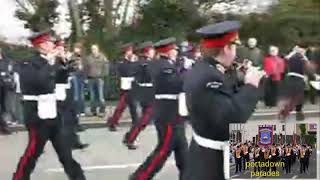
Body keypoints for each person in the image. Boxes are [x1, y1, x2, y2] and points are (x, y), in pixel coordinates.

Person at [182, 21, 265, 180]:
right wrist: (251, 86)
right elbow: (232, 117)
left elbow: (227, 89)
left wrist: (241, 77)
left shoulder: (207, 68)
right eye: (234, 48)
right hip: (211, 160)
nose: (236, 54)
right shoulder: (208, 77)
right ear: (227, 48)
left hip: (208, 152)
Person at [12, 32, 86, 180]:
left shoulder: (53, 62)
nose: (53, 46)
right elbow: (39, 81)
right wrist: (50, 62)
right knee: (32, 154)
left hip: (54, 113)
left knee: (66, 154)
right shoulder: (28, 63)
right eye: (50, 43)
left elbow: (60, 82)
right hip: (37, 114)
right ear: (41, 45)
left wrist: (66, 65)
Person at [130, 37, 188, 180]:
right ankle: (139, 177)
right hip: (168, 114)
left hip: (175, 113)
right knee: (163, 151)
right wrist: (186, 70)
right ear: (167, 51)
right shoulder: (161, 65)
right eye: (174, 49)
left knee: (183, 152)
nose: (177, 52)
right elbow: (177, 84)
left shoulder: (168, 64)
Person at [54, 40, 89, 150]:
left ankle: (74, 141)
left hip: (68, 89)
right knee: (63, 118)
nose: (62, 51)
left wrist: (70, 63)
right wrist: (68, 66)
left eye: (63, 48)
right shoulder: (54, 61)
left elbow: (73, 69)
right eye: (59, 49)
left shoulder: (65, 60)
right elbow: (58, 73)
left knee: (72, 117)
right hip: (59, 91)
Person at [123, 41, 156, 149]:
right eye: (151, 50)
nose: (153, 52)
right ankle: (130, 139)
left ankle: (129, 137)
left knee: (144, 120)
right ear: (147, 51)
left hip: (145, 93)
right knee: (142, 120)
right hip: (141, 93)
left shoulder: (147, 62)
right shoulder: (143, 63)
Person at [107, 43, 139, 131]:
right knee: (121, 106)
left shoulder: (135, 60)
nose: (130, 53)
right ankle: (113, 122)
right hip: (125, 85)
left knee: (133, 105)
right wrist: (131, 63)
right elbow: (125, 71)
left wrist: (134, 62)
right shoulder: (121, 61)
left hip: (133, 85)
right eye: (128, 51)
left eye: (131, 51)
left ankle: (135, 122)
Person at [279, 44, 309, 120]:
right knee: (294, 97)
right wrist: (293, 52)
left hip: (297, 79)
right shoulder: (293, 58)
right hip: (293, 79)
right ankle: (288, 113)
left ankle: (297, 113)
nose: (302, 52)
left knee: (297, 97)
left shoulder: (302, 59)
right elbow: (285, 59)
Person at [83, 44, 108, 116]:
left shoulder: (102, 57)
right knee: (92, 96)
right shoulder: (89, 58)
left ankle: (102, 110)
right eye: (92, 49)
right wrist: (86, 78)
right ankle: (93, 110)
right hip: (91, 78)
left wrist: (103, 75)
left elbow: (106, 67)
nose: (93, 50)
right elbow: (85, 69)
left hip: (100, 78)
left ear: (98, 49)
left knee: (100, 96)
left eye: (95, 49)